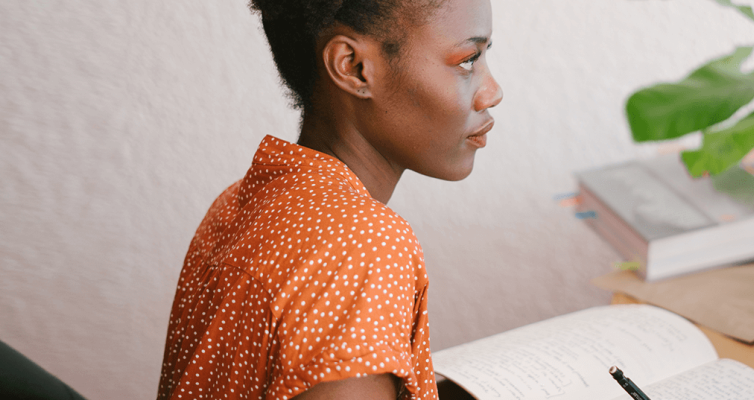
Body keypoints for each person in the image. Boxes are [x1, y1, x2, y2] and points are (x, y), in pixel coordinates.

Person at [155, 0, 502, 398]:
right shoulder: (361, 245)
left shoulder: (235, 204)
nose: (492, 92)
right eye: (468, 60)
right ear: (354, 67)